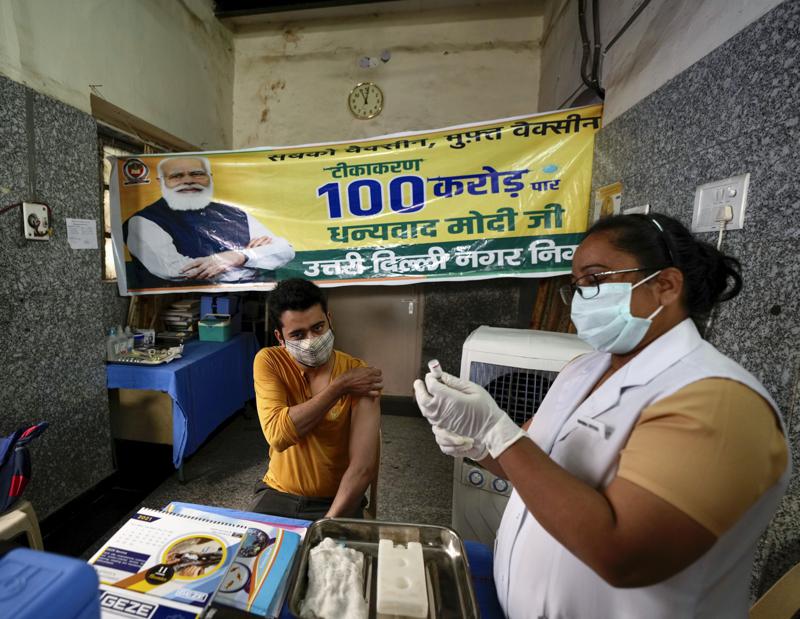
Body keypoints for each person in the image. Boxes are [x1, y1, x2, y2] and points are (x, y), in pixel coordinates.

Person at [414, 213, 790, 618]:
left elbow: (623, 554)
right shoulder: (584, 369)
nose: (581, 299)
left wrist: (496, 430)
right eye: (576, 285)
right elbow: (533, 464)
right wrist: (475, 443)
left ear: (665, 285)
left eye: (595, 279)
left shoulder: (717, 401)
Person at [251, 278, 383, 520]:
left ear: (330, 320)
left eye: (318, 328)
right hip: (279, 493)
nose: (311, 341)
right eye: (298, 335)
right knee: (254, 554)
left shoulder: (358, 373)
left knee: (340, 557)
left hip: (338, 499)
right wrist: (340, 387)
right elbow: (278, 435)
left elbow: (362, 468)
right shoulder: (269, 361)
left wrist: (327, 522)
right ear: (281, 338)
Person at [123, 156, 295, 287]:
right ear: (162, 182)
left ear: (210, 178)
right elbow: (179, 270)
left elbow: (285, 250)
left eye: (197, 174)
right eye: (176, 176)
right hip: (184, 308)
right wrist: (256, 262)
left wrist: (239, 256)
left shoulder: (235, 213)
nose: (188, 180)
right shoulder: (143, 222)